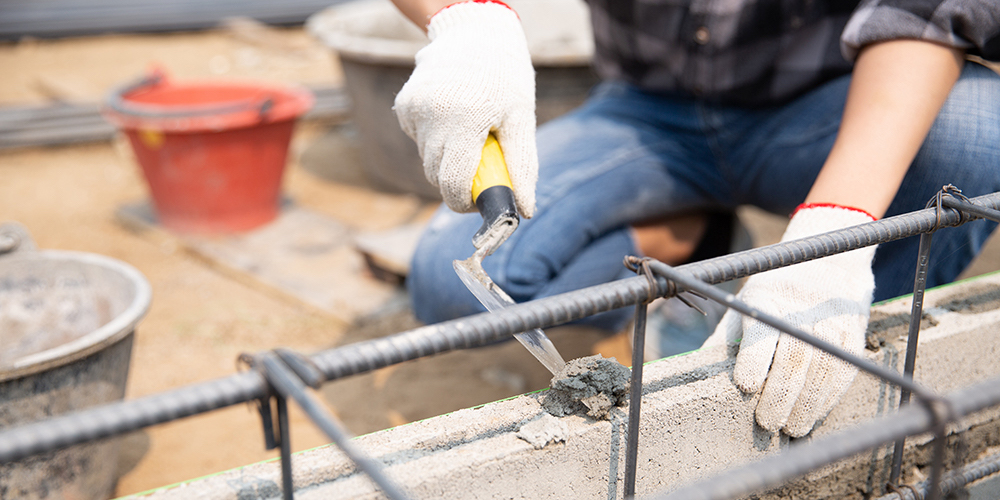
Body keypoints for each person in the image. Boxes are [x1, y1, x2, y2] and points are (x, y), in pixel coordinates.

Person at [389, 0, 1000, 437]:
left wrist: (834, 229)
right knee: (449, 283)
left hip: (826, 104)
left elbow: (931, 11)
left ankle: (829, 367)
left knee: (981, 132)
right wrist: (466, 19)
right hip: (648, 116)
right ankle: (698, 241)